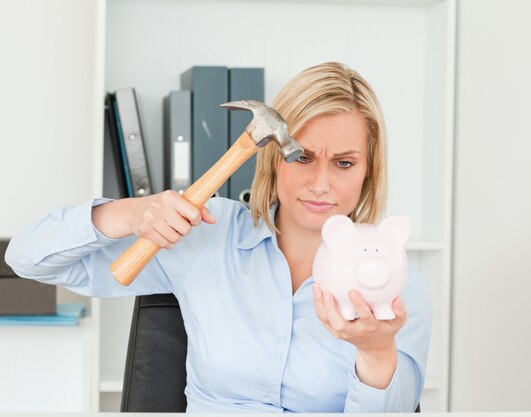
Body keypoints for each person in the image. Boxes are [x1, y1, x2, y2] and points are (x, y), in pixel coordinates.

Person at [5, 62, 432, 413]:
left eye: (343, 163)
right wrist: (129, 212)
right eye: (302, 156)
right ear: (275, 156)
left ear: (368, 170)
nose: (320, 183)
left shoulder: (398, 287)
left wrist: (376, 353)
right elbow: (27, 258)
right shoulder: (205, 234)